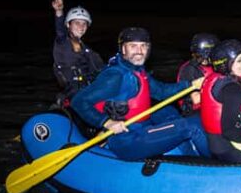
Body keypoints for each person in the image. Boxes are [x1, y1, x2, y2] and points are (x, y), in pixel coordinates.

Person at [70, 27, 208, 160]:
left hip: (141, 126)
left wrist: (191, 85)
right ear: (123, 49)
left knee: (167, 111)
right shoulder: (115, 76)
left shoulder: (138, 71)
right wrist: (107, 122)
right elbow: (78, 101)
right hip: (127, 140)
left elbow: (161, 91)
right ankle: (212, 164)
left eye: (143, 46)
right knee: (191, 126)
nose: (139, 51)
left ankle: (187, 152)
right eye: (133, 46)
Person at [51, 0, 104, 103]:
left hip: (90, 93)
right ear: (68, 25)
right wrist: (59, 12)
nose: (81, 26)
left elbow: (102, 69)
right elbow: (60, 31)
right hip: (72, 97)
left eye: (84, 23)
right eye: (77, 23)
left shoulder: (88, 51)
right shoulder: (63, 42)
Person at [176, 33, 219, 116]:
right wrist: (220, 89)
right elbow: (196, 99)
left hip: (212, 107)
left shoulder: (215, 66)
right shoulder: (189, 69)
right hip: (194, 112)